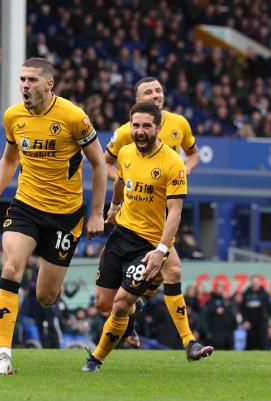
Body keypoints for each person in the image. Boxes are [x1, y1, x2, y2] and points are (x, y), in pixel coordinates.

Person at [0, 57, 107, 375]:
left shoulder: (74, 117)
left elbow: (99, 165)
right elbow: (9, 159)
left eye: (31, 80)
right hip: (25, 206)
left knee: (45, 296)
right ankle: (3, 355)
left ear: (49, 84)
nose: (24, 86)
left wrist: (97, 213)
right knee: (11, 266)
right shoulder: (13, 116)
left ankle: (46, 281)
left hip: (65, 215)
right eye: (22, 80)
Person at [83, 102, 212, 373]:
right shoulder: (127, 152)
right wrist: (114, 206)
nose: (140, 131)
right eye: (136, 125)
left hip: (149, 245)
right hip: (121, 236)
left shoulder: (173, 164)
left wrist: (162, 250)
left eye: (146, 126)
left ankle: (95, 360)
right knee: (104, 304)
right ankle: (133, 314)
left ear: (158, 128)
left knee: (120, 304)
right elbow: (119, 181)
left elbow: (175, 212)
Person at [102, 76, 203, 350]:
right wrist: (126, 182)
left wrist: (184, 171)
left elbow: (193, 154)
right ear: (137, 101)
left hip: (167, 209)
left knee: (167, 272)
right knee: (167, 273)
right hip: (140, 213)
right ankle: (138, 314)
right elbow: (106, 163)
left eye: (159, 90)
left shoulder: (179, 123)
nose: (156, 94)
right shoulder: (127, 132)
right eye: (149, 91)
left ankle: (185, 341)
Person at [240, 276, 271, 350]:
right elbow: (242, 310)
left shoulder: (265, 295)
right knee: (250, 346)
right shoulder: (246, 294)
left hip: (262, 323)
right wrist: (244, 321)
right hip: (250, 324)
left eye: (256, 283)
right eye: (253, 283)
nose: (255, 284)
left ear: (260, 283)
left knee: (263, 345)